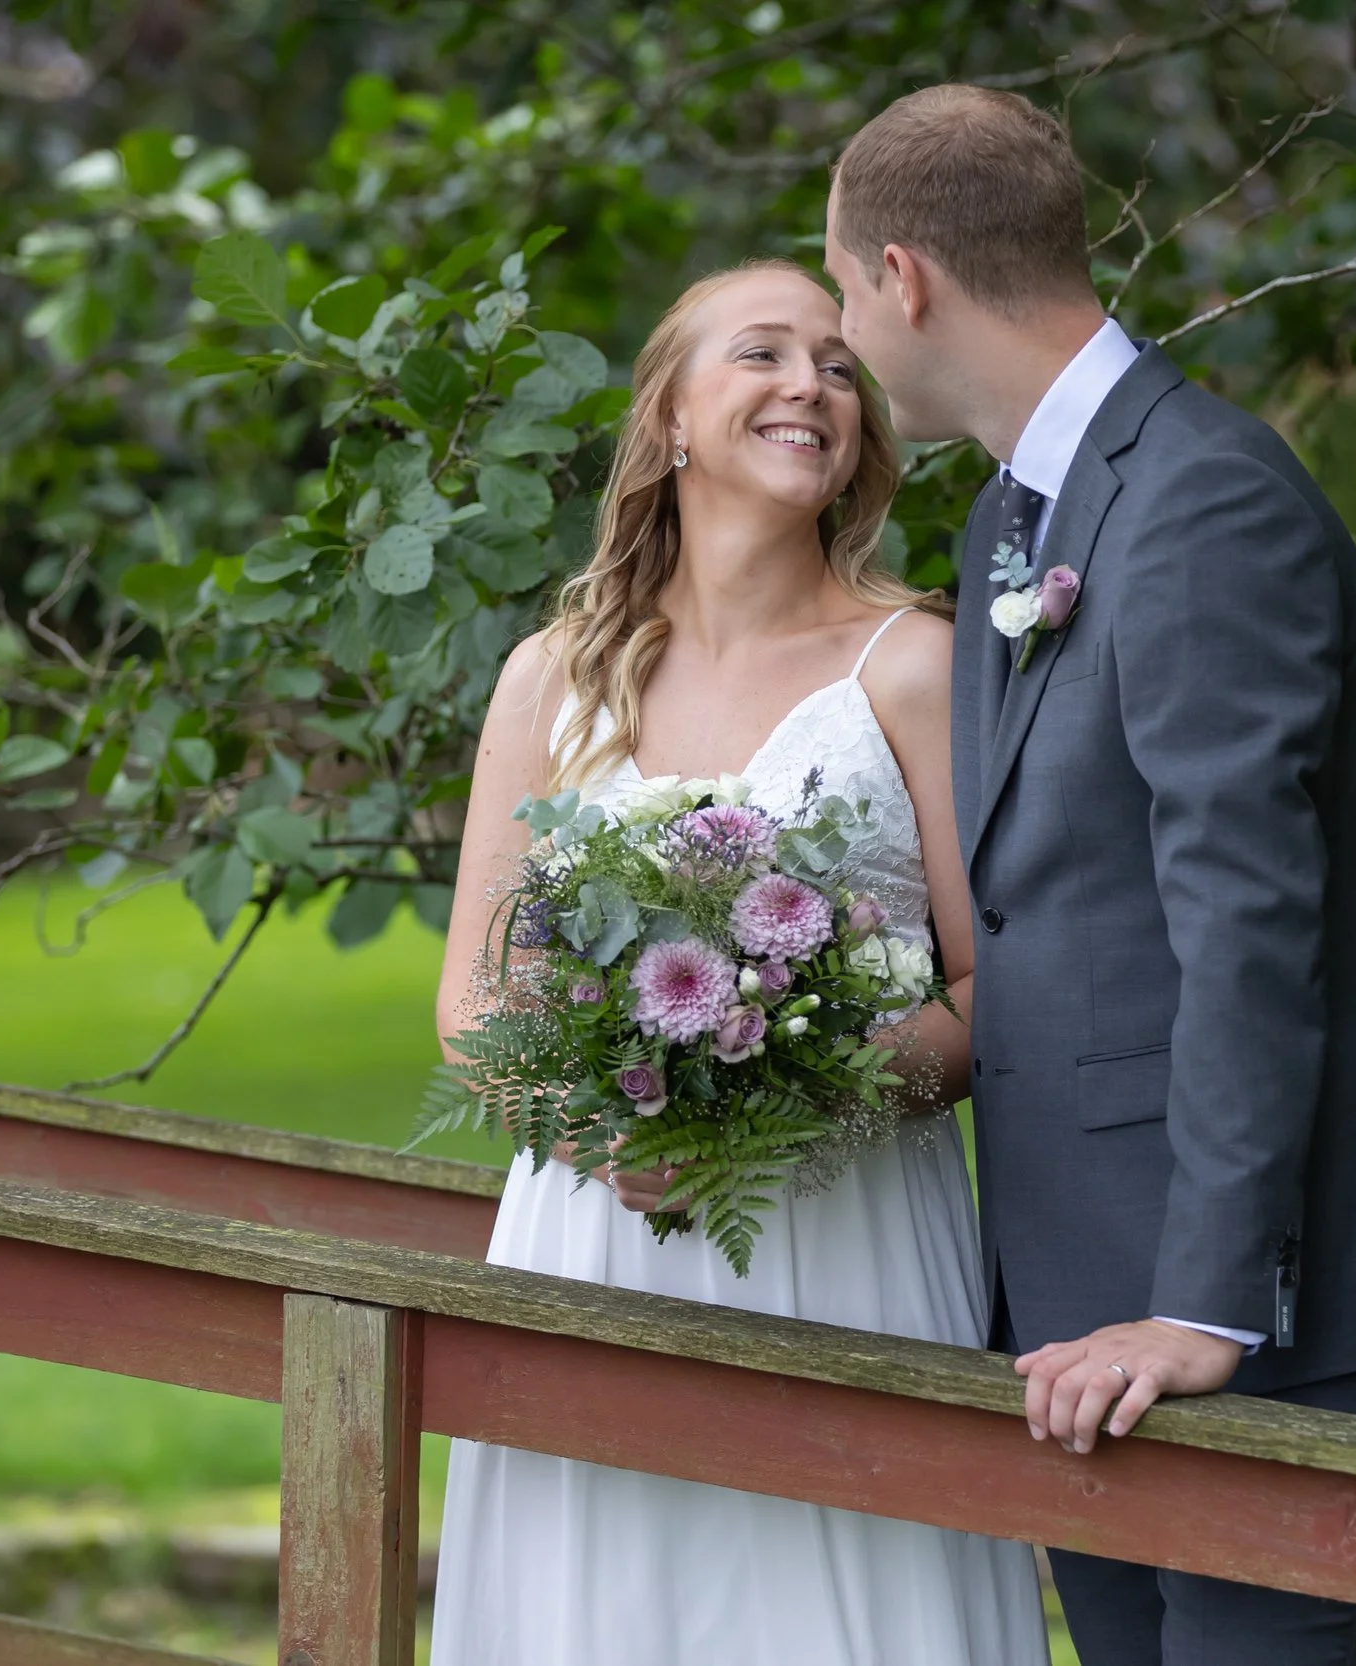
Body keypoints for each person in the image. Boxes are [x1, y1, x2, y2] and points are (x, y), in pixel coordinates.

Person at [820, 85, 1356, 1665]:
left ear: (902, 277)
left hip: (1249, 1305)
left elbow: (1250, 924)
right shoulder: (1012, 516)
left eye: (841, 292)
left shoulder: (1203, 500)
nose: (847, 329)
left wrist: (1208, 1306)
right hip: (1078, 1298)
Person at [425, 258, 1051, 1666]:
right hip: (594, 1230)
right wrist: (599, 1132)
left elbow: (990, 981)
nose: (810, 385)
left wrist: (798, 1095)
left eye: (838, 365)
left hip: (841, 1228)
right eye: (761, 354)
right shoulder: (553, 679)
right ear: (670, 422)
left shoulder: (916, 664)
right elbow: (472, 1005)